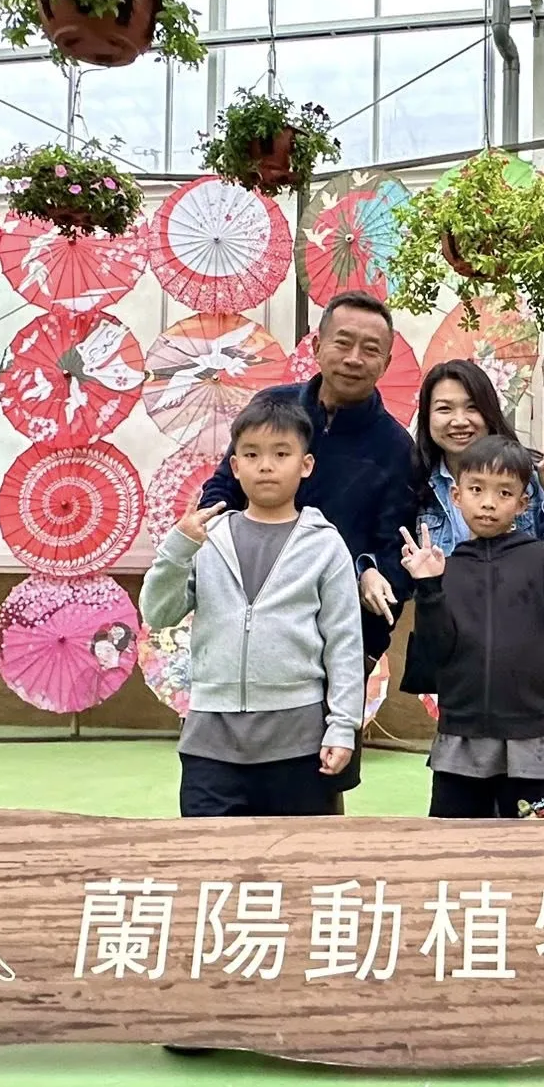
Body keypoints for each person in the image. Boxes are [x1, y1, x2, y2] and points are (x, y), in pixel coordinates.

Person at [196, 290, 415, 805]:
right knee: (226, 793)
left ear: (386, 362)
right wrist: (206, 541)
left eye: (371, 349)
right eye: (343, 342)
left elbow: (397, 550)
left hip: (341, 637)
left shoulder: (396, 448)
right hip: (254, 628)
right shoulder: (274, 410)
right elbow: (224, 488)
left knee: (317, 786)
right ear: (317, 346)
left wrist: (372, 577)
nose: (354, 358)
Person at [144, 400, 364, 817]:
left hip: (298, 743)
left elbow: (345, 643)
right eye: (251, 454)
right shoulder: (206, 539)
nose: (266, 466)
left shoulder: (325, 544)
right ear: (235, 465)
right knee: (208, 854)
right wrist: (177, 548)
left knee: (298, 856)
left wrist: (342, 726)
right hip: (210, 741)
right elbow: (158, 613)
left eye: (281, 454)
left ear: (306, 465)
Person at [399, 435, 544, 819]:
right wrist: (428, 587)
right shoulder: (446, 569)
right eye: (476, 489)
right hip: (460, 737)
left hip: (531, 740)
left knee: (530, 849)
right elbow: (436, 650)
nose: (488, 503)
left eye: (504, 492)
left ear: (522, 503)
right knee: (453, 846)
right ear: (456, 496)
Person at [407, 358, 544, 697]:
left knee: (534, 734)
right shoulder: (417, 484)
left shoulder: (530, 475)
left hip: (535, 656)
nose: (459, 421)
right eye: (445, 409)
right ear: (427, 417)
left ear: (489, 412)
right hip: (459, 658)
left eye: (472, 407)